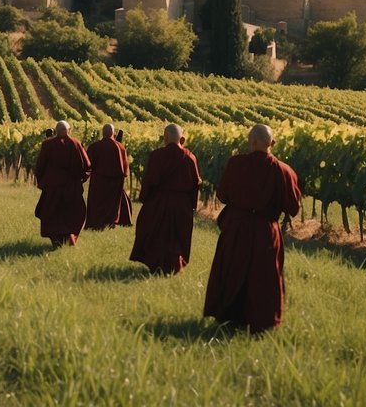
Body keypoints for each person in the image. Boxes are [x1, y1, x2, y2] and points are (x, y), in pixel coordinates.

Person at [203, 124, 302, 333]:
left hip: (237, 227)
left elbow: (223, 195)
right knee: (263, 277)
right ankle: (262, 323)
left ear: (252, 142)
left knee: (231, 270)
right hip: (266, 230)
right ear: (271, 143)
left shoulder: (236, 164)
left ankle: (228, 316)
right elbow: (293, 207)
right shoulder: (284, 171)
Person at [129, 124, 201, 274]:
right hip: (182, 204)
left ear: (165, 138)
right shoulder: (190, 157)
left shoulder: (157, 155)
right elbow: (196, 184)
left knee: (154, 232)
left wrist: (146, 200)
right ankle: (175, 265)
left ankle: (155, 265)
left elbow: (149, 180)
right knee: (178, 236)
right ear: (182, 139)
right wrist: (191, 205)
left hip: (159, 201)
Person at [34, 121, 91, 247]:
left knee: (52, 213)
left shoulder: (47, 144)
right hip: (71, 187)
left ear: (56, 130)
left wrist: (42, 181)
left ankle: (57, 240)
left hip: (53, 187)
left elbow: (40, 166)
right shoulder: (75, 144)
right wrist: (81, 179)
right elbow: (86, 166)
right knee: (72, 213)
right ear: (69, 130)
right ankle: (69, 237)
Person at [85, 124, 132, 229]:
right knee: (112, 204)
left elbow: (87, 165)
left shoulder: (94, 146)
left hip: (98, 181)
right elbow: (125, 169)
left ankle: (95, 223)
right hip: (115, 182)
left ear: (103, 132)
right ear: (113, 133)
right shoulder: (120, 147)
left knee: (97, 202)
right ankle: (110, 222)